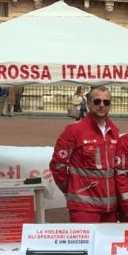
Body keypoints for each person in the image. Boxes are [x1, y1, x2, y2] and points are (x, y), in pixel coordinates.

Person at [50, 86, 121, 223]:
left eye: (106, 102)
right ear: (88, 103)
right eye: (97, 101)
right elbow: (58, 165)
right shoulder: (73, 130)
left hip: (110, 208)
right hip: (84, 207)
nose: (102, 105)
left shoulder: (114, 131)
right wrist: (70, 188)